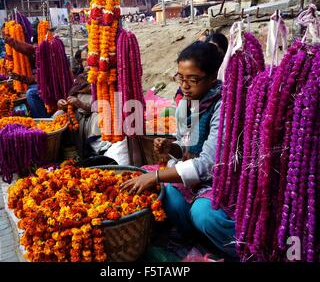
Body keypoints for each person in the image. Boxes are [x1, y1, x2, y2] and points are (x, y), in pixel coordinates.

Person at [121, 41, 236, 257]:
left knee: (204, 214)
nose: (185, 86)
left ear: (212, 78)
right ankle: (193, 235)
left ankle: (242, 250)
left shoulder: (224, 106)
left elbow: (208, 164)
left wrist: (156, 175)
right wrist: (170, 148)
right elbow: (185, 147)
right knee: (168, 192)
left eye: (193, 80)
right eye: (180, 78)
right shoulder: (186, 103)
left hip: (220, 178)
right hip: (196, 176)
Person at [56, 47, 110, 158]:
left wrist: (81, 104)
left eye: (87, 59)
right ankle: (63, 154)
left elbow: (102, 105)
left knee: (99, 119)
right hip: (78, 115)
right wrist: (63, 105)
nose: (85, 63)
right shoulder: (81, 78)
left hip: (93, 114)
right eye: (83, 60)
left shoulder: (103, 78)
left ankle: (97, 155)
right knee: (58, 116)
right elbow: (71, 98)